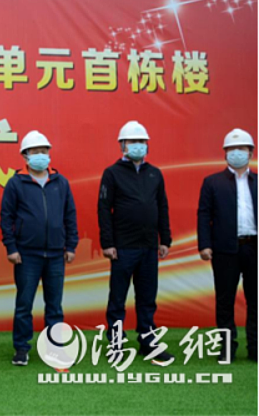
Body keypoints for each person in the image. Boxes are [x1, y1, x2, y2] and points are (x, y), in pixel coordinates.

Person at [0, 130, 78, 366]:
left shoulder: (60, 182)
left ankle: (54, 349)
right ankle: (21, 348)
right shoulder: (16, 183)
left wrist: (71, 245)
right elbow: (6, 217)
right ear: (25, 156)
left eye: (44, 151)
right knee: (24, 305)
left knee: (54, 306)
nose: (41, 155)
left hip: (55, 254)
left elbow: (70, 215)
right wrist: (11, 247)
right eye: (35, 152)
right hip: (26, 255)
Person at [98, 120, 173, 363]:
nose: (138, 145)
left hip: (149, 246)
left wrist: (165, 239)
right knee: (118, 299)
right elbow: (104, 209)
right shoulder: (112, 173)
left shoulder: (155, 173)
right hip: (122, 247)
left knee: (147, 298)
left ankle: (148, 342)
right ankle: (116, 343)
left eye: (142, 141)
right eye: (133, 142)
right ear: (122, 145)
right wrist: (108, 243)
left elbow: (162, 206)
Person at [197, 128, 257, 362]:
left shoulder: (257, 181)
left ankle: (255, 348)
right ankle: (226, 348)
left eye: (241, 148)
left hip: (254, 248)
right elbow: (204, 215)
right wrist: (205, 244)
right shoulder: (212, 182)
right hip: (224, 250)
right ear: (225, 153)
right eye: (232, 149)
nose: (236, 153)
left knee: (256, 300)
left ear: (250, 152)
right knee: (224, 301)